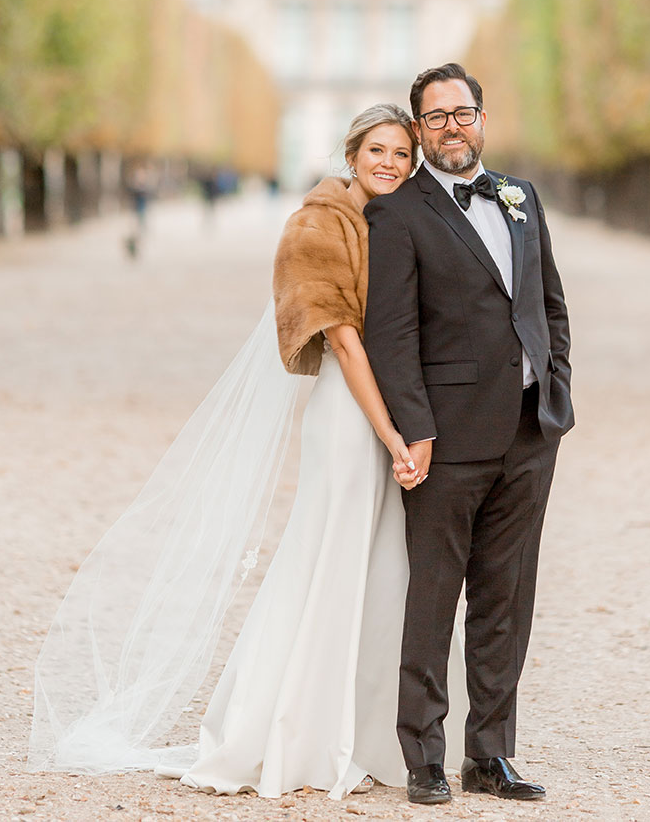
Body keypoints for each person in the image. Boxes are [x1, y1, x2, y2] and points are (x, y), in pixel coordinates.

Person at [29, 104, 466, 798]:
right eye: (378, 149)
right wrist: (391, 432)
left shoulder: (388, 219)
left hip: (393, 413)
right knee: (328, 559)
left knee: (381, 566)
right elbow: (346, 340)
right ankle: (298, 727)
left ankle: (371, 724)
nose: (390, 162)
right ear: (350, 154)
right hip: (353, 418)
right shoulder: (318, 223)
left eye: (402, 153)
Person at [364, 63, 575, 806]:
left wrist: (558, 392)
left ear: (482, 117)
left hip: (529, 432)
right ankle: (423, 752)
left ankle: (491, 755)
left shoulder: (523, 198)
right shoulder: (397, 212)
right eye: (436, 117)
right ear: (419, 130)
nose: (452, 126)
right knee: (434, 596)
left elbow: (549, 306)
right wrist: (414, 430)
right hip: (445, 440)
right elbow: (390, 335)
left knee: (505, 598)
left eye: (464, 112)